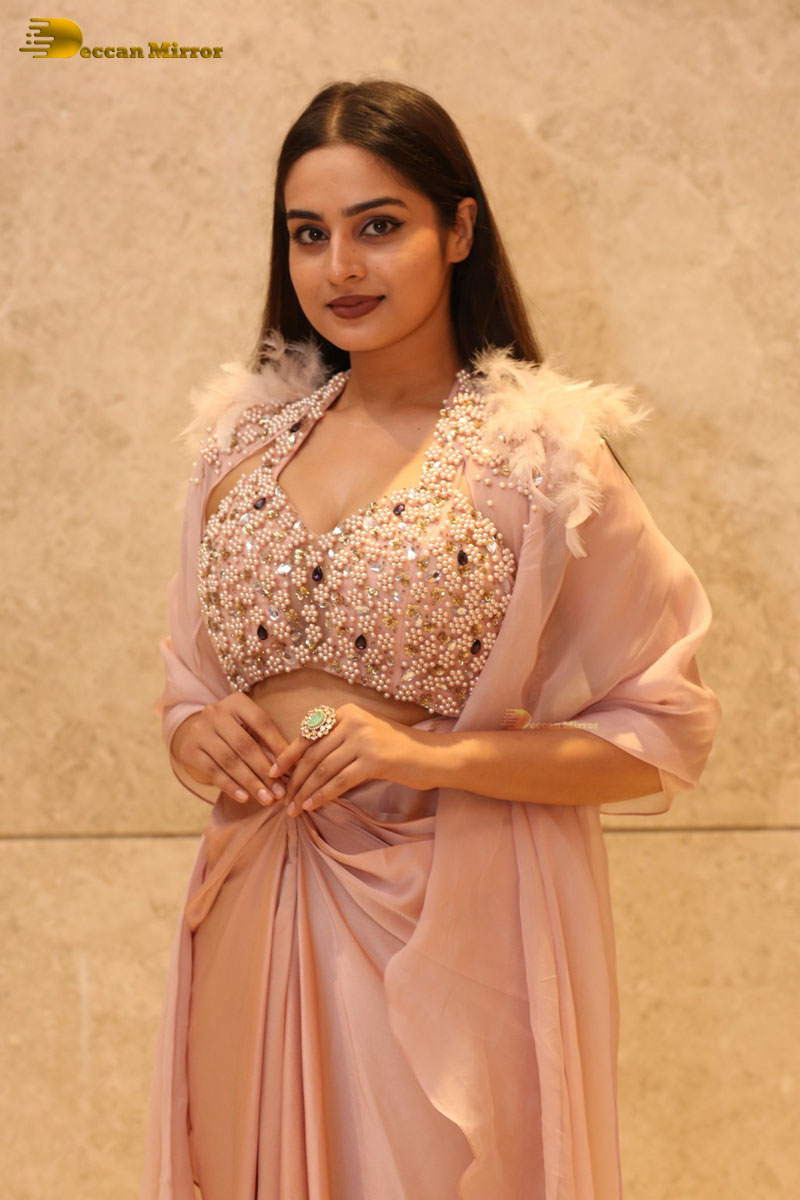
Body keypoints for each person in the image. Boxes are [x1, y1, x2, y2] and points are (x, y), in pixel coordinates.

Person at [140, 79, 722, 1200]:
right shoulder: (237, 452)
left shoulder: (537, 459)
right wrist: (191, 733)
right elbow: (188, 682)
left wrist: (430, 756)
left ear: (458, 230)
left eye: (378, 226)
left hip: (450, 925)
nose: (339, 268)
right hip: (258, 894)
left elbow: (661, 730)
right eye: (308, 234)